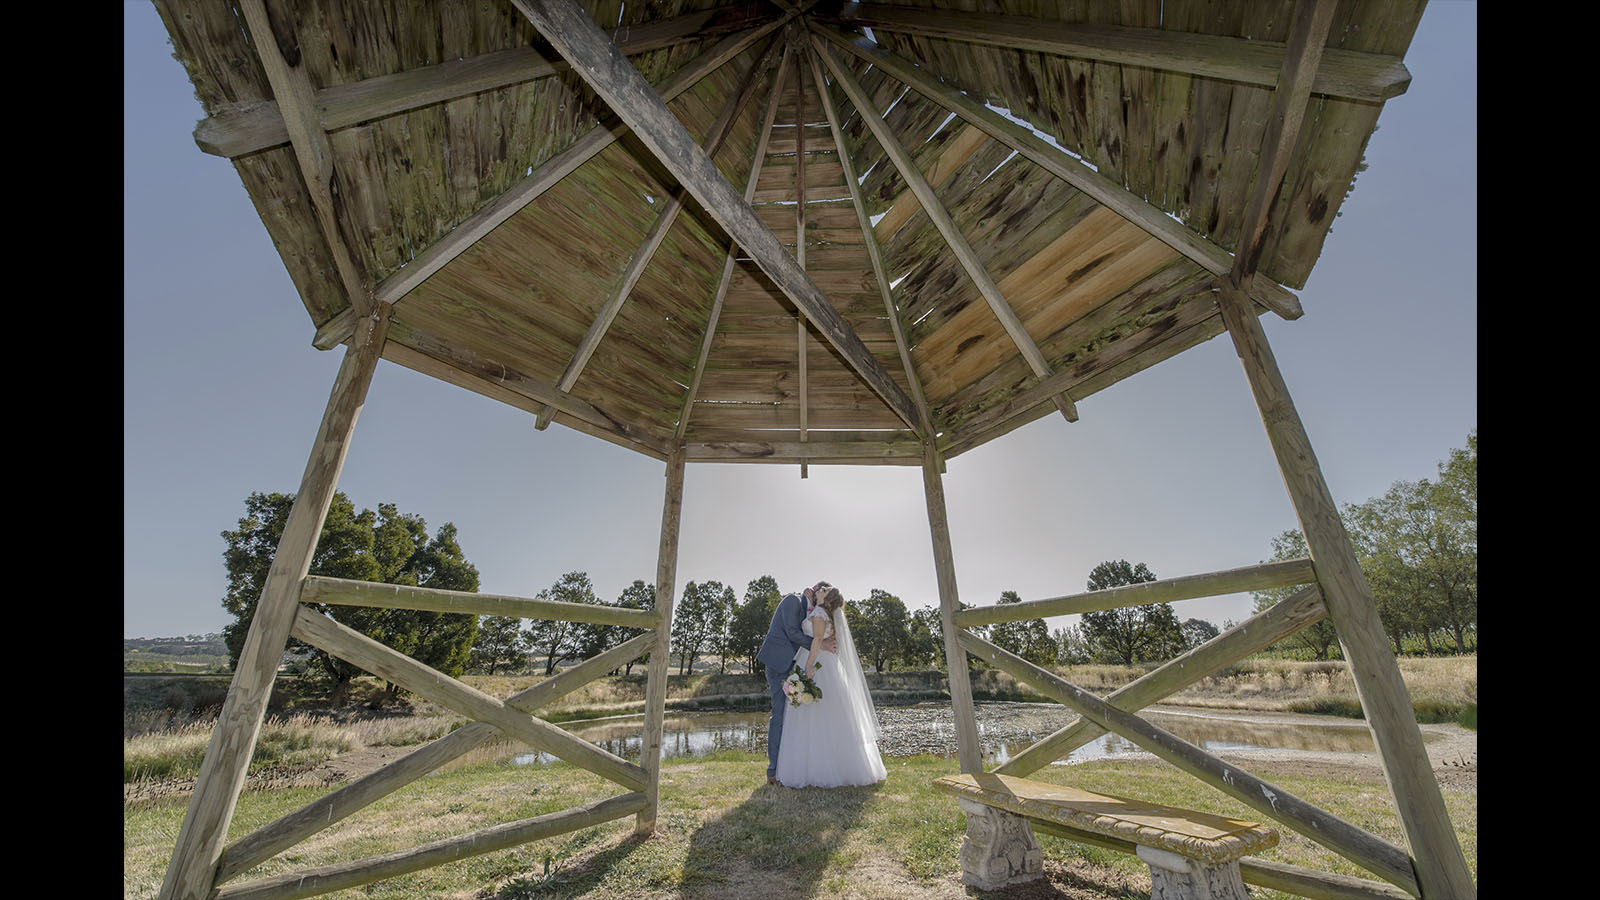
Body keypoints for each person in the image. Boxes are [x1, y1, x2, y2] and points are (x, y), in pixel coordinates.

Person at [773, 586, 887, 788]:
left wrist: (809, 665)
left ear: (826, 599)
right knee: (832, 714)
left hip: (817, 664)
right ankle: (842, 765)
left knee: (813, 715)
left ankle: (813, 769)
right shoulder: (823, 613)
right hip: (829, 664)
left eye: (824, 589)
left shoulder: (818, 613)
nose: (820, 588)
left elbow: (817, 640)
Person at [757, 582, 837, 786]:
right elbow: (793, 633)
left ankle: (792, 766)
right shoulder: (793, 601)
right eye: (820, 588)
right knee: (780, 714)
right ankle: (773, 770)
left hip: (795, 666)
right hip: (778, 664)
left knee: (794, 716)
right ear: (812, 589)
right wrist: (821, 644)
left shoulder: (811, 611)